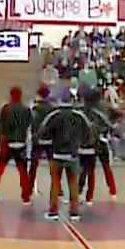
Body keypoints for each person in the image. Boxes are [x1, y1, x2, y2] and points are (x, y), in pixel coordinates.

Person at [37, 89, 93, 222]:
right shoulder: (79, 116)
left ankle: (53, 211)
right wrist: (80, 145)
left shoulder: (54, 115)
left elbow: (42, 132)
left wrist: (48, 144)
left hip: (56, 155)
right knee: (73, 184)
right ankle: (74, 213)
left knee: (55, 184)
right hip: (73, 155)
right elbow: (89, 133)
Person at [0, 86, 32, 205]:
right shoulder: (26, 110)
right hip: (20, 143)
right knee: (23, 172)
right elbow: (28, 125)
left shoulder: (6, 109)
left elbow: (0, 126)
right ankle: (26, 197)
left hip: (7, 143)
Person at [77, 89, 117, 205]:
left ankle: (80, 193)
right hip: (100, 141)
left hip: (88, 143)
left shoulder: (82, 111)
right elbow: (110, 125)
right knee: (104, 168)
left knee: (85, 170)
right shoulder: (103, 108)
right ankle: (112, 191)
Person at [28, 85, 55, 195]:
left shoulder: (35, 108)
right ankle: (58, 188)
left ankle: (29, 188)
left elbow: (32, 123)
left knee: (34, 165)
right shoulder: (52, 108)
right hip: (50, 140)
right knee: (53, 165)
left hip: (38, 139)